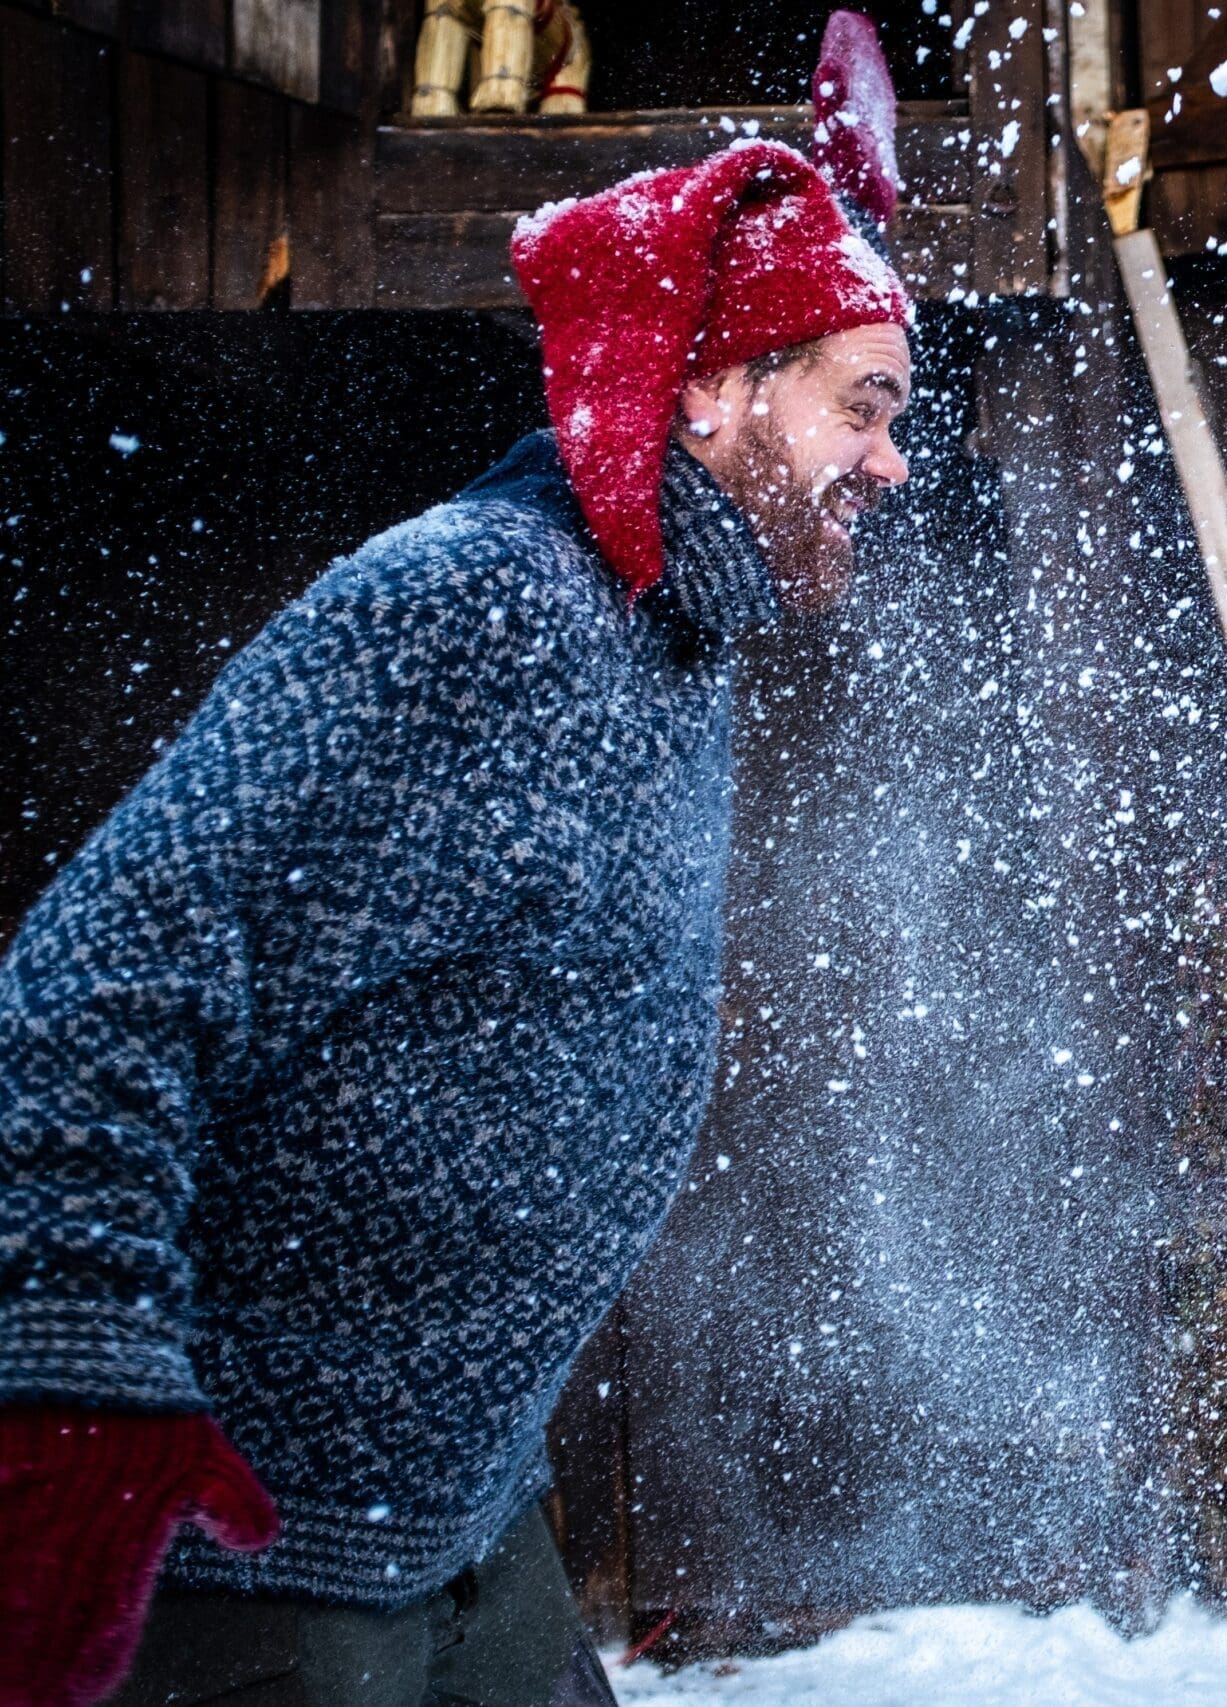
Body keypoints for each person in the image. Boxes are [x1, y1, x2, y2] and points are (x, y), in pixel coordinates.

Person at [0, 19, 914, 1700]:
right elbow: (91, 979)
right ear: (711, 390)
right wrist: (84, 1377)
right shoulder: (466, 606)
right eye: (862, 408)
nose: (891, 461)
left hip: (468, 1509)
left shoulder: (675, 629)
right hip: (267, 1544)